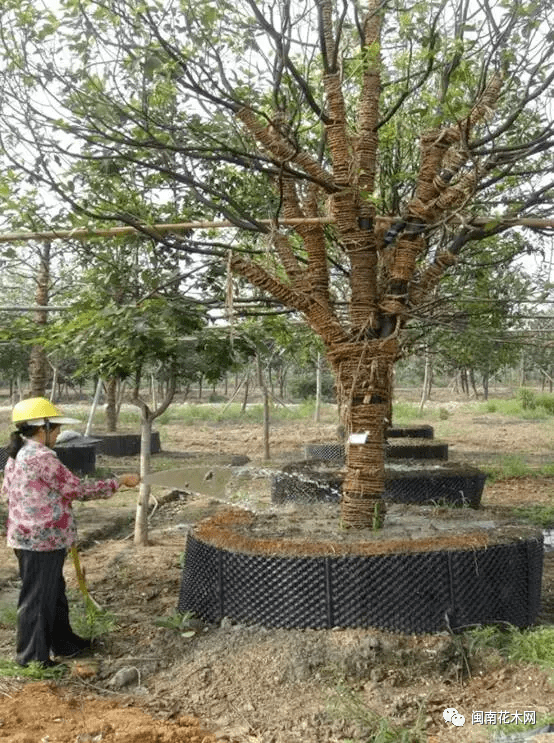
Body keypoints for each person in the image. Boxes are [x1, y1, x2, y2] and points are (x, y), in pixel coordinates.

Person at [1, 397, 140, 668]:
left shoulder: (16, 454)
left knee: (53, 592)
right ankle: (32, 659)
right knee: (38, 599)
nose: (58, 434)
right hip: (41, 540)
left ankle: (64, 643)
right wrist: (119, 482)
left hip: (29, 536)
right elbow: (77, 489)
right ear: (42, 428)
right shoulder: (41, 456)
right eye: (55, 429)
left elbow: (10, 492)